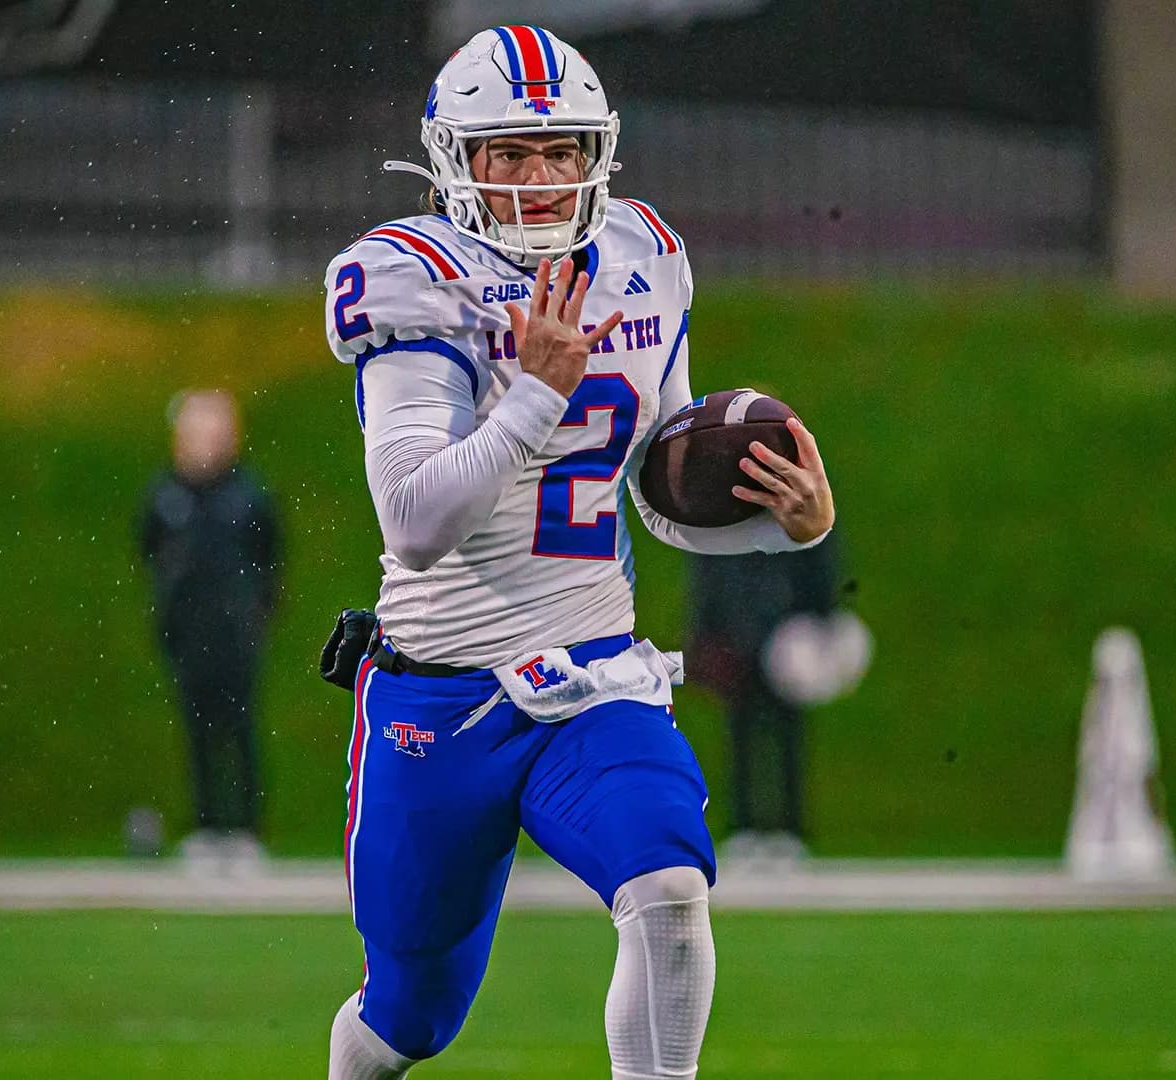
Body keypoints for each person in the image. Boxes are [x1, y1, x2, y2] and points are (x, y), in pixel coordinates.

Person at [319, 26, 835, 1080]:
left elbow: (654, 486)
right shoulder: (416, 277)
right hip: (440, 695)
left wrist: (782, 521)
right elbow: (413, 524)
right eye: (509, 153)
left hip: (592, 674)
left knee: (669, 892)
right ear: (453, 160)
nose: (540, 179)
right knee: (406, 1020)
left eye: (561, 151)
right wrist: (534, 396)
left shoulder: (644, 258)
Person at [138, 390, 283, 874]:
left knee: (240, 728)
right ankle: (205, 826)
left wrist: (256, 613)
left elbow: (269, 558)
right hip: (186, 632)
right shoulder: (167, 495)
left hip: (235, 633)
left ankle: (246, 828)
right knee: (196, 731)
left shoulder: (248, 495)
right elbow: (149, 551)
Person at [687, 530, 844, 864]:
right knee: (741, 730)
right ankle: (745, 825)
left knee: (785, 730)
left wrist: (820, 616)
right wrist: (707, 627)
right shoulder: (723, 513)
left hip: (786, 629)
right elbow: (709, 567)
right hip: (738, 628)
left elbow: (818, 552)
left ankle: (788, 828)